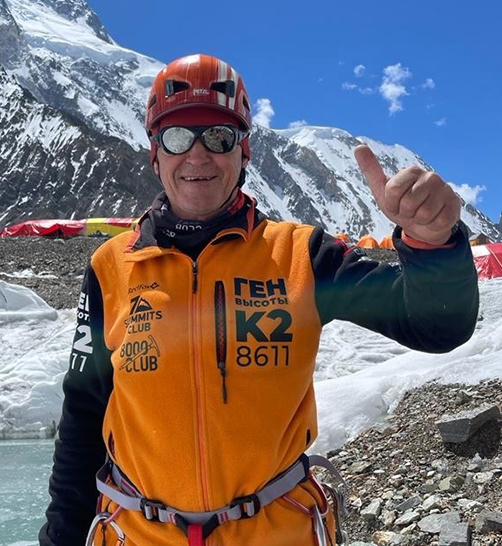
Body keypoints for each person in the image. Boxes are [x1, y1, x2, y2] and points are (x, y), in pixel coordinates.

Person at [39, 53, 478, 546]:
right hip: (138, 534)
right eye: (177, 137)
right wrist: (61, 537)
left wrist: (433, 244)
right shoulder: (110, 267)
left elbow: (437, 325)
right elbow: (84, 415)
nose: (198, 155)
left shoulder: (303, 256)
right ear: (155, 154)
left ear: (244, 151)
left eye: (219, 137)